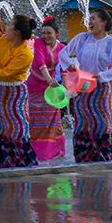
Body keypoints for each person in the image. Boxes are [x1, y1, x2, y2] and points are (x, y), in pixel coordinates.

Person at [58, 8, 112, 163]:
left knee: (101, 121)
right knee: (82, 121)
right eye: (89, 19)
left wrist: (101, 76)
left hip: (101, 88)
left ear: (104, 22)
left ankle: (105, 156)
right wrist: (71, 66)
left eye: (93, 18)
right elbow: (63, 53)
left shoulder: (111, 43)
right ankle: (83, 156)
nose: (90, 22)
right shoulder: (82, 38)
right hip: (82, 85)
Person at [0, 12, 39, 169]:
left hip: (15, 94)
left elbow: (5, 73)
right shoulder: (4, 39)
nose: (7, 27)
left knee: (17, 128)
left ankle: (23, 164)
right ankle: (1, 164)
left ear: (17, 31)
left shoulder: (25, 54)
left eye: (10, 24)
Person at [27, 18, 65, 162]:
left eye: (49, 33)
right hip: (36, 88)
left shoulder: (62, 48)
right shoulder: (39, 43)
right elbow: (41, 63)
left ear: (57, 34)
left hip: (52, 90)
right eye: (43, 33)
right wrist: (49, 80)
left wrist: (67, 89)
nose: (45, 36)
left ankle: (55, 153)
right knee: (36, 122)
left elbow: (65, 69)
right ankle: (36, 154)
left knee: (53, 123)